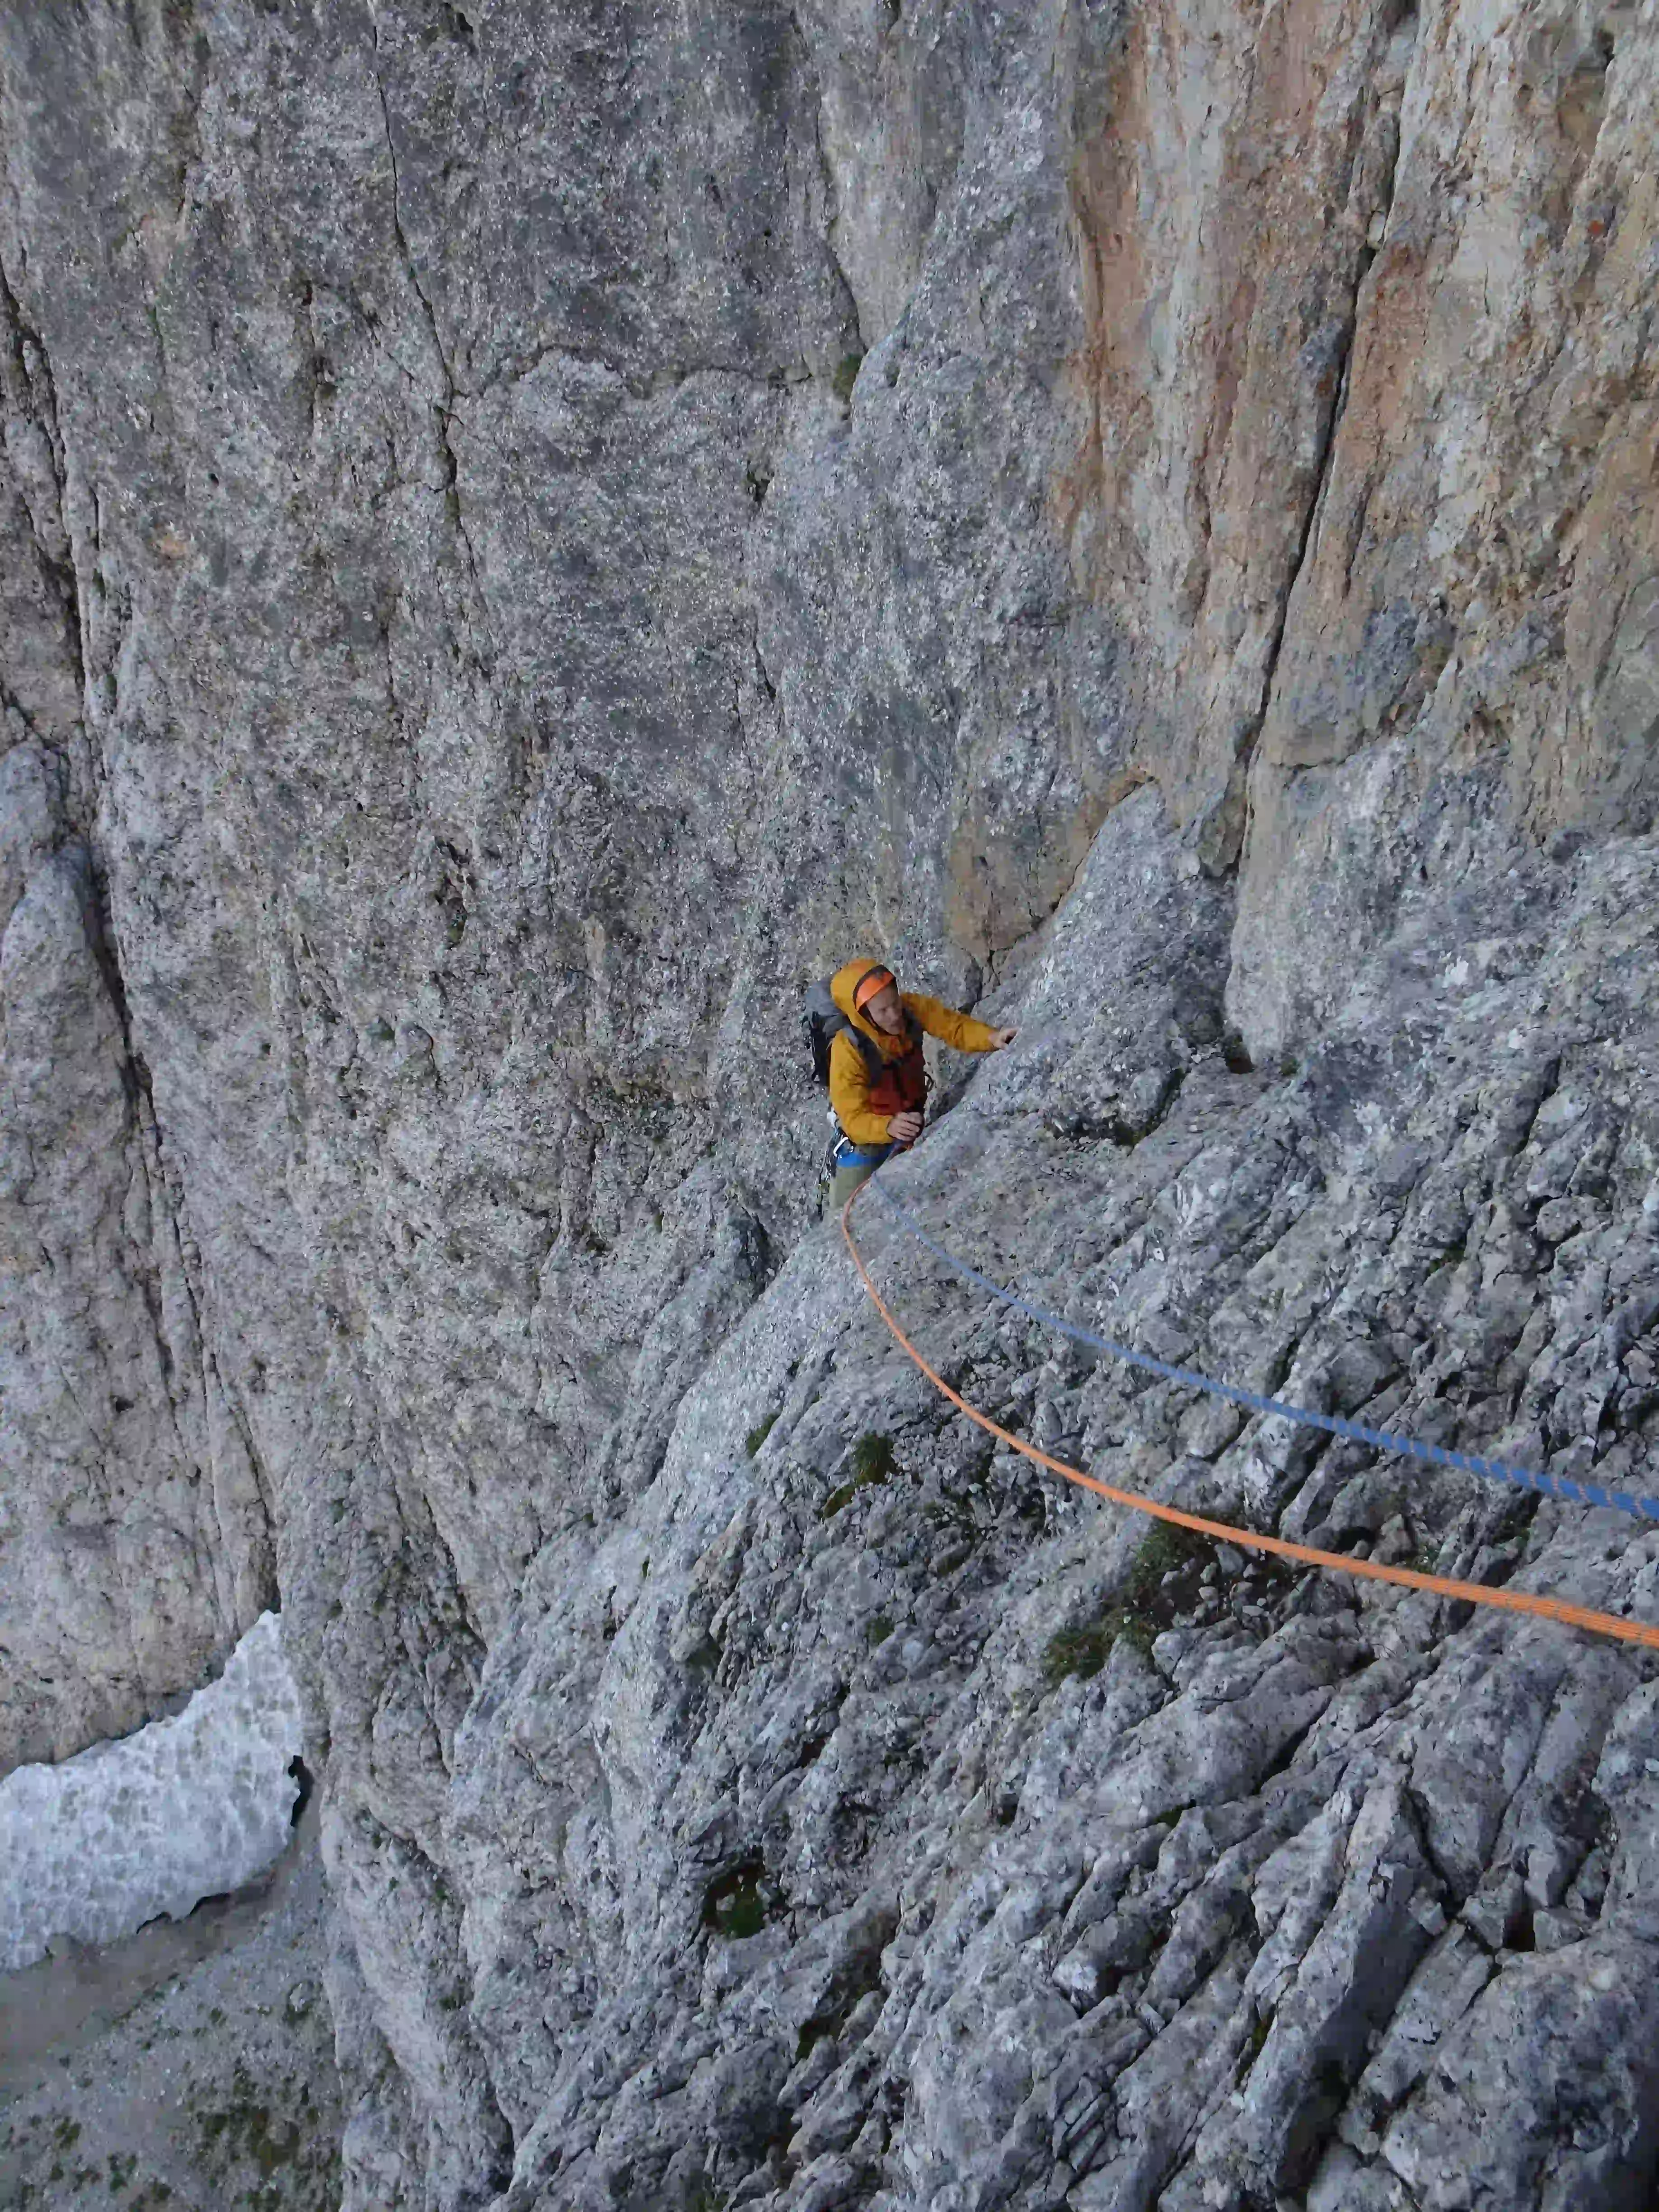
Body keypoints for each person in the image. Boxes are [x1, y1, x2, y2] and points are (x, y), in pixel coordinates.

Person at [825, 960, 1016, 1209]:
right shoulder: (848, 1050)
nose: (895, 1015)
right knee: (842, 1210)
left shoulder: (911, 1009)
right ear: (864, 1015)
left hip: (910, 1123)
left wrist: (992, 1038)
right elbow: (852, 1118)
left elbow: (953, 1027)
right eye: (883, 1011)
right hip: (867, 1143)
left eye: (894, 1002)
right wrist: (888, 1127)